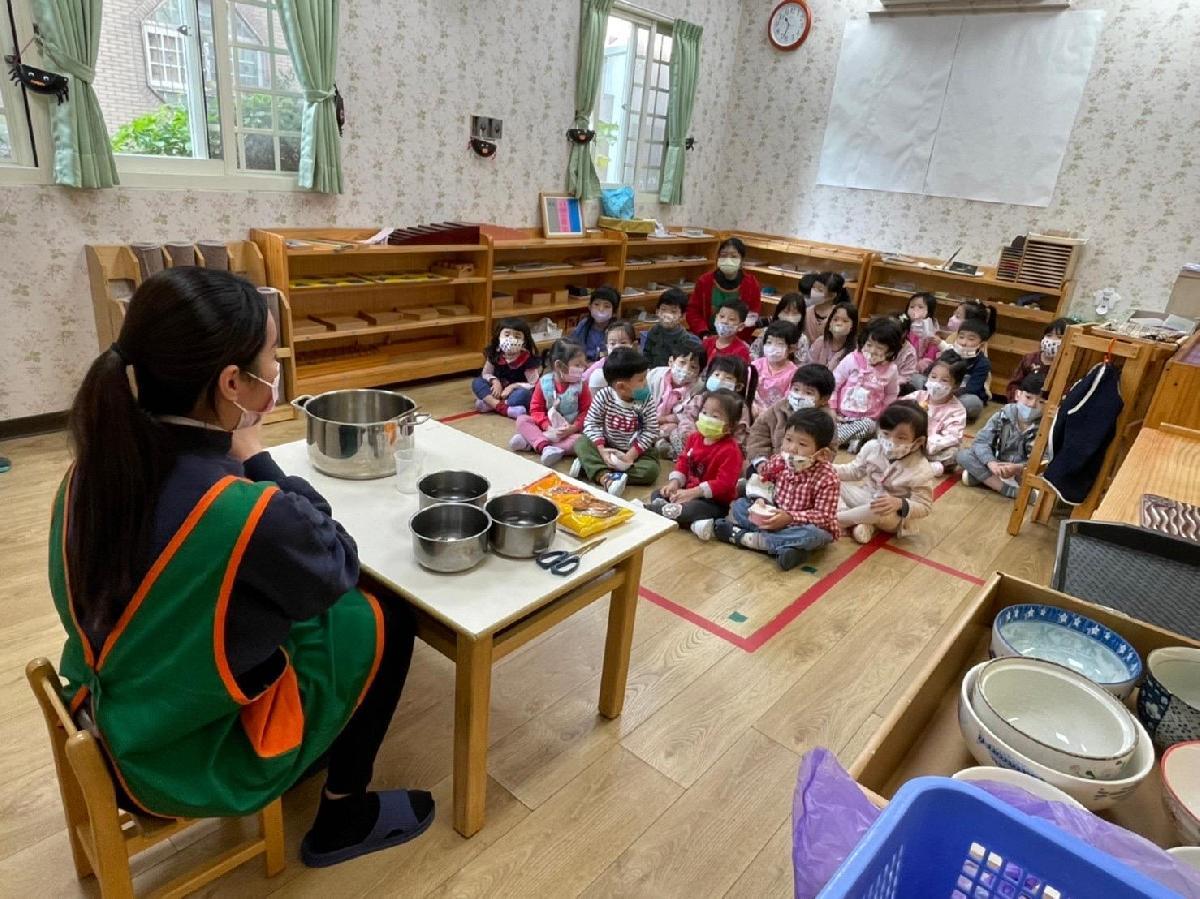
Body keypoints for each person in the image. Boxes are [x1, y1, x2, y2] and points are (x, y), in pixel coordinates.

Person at [49, 267, 433, 870]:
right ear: (232, 383)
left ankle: (321, 748)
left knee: (294, 611)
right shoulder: (240, 511)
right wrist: (256, 456)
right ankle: (342, 815)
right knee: (383, 617)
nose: (276, 372)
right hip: (180, 754)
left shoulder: (93, 467)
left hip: (104, 706)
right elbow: (335, 560)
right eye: (272, 360)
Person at [711, 409, 841, 572]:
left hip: (800, 525)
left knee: (815, 535)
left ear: (822, 454)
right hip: (773, 516)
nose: (792, 448)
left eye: (802, 444)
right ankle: (787, 548)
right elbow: (763, 481)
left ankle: (745, 538)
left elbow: (824, 517)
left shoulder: (828, 477)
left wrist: (790, 517)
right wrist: (760, 501)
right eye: (788, 439)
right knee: (740, 506)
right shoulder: (779, 460)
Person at [648, 389, 745, 538]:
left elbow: (724, 484)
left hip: (713, 502)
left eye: (715, 416)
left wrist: (693, 493)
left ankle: (654, 511)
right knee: (658, 493)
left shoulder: (731, 451)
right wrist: (674, 483)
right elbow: (683, 461)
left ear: (730, 426)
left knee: (690, 509)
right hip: (688, 490)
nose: (706, 418)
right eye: (704, 412)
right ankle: (692, 522)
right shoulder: (694, 438)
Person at [835, 401, 935, 544]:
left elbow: (924, 506)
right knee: (832, 482)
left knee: (878, 509)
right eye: (886, 434)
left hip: (891, 515)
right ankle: (859, 521)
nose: (891, 441)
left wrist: (899, 503)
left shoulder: (921, 469)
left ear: (918, 441)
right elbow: (854, 471)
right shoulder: (872, 447)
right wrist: (826, 468)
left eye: (901, 438)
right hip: (866, 496)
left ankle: (838, 520)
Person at [571, 346, 660, 496]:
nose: (646, 383)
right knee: (581, 443)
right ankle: (605, 477)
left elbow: (651, 430)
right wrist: (602, 451)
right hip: (607, 446)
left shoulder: (645, 399)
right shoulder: (604, 396)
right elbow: (591, 423)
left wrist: (630, 456)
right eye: (641, 379)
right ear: (622, 387)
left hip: (634, 451)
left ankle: (591, 468)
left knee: (651, 471)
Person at [957, 372, 1046, 499]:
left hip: (1022, 471)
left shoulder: (1046, 426)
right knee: (964, 455)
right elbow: (981, 441)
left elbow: (1045, 461)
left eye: (1040, 401)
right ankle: (1009, 490)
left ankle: (985, 479)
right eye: (1028, 397)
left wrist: (1019, 468)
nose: (1032, 404)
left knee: (1050, 476)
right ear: (1018, 394)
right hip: (997, 464)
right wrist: (991, 462)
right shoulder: (1003, 415)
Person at [509, 338, 592, 467]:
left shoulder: (581, 386)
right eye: (578, 365)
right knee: (522, 419)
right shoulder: (543, 383)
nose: (584, 368)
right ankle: (545, 447)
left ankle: (533, 442)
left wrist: (573, 428)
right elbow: (536, 409)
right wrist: (547, 426)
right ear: (559, 366)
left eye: (583, 364)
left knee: (581, 442)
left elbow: (587, 411)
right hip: (547, 428)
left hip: (570, 433)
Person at [747, 364, 837, 475]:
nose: (799, 396)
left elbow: (829, 450)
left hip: (806, 470)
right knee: (751, 472)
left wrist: (806, 465)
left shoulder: (825, 420)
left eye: (808, 393)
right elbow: (758, 433)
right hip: (772, 464)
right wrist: (761, 461)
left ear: (824, 399)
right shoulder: (779, 408)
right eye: (796, 389)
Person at [830, 317, 903, 448]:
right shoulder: (852, 359)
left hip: (867, 419)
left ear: (890, 352)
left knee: (871, 427)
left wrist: (882, 414)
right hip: (841, 415)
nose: (872, 351)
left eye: (879, 348)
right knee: (822, 419)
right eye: (869, 345)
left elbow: (891, 394)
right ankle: (851, 439)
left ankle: (837, 439)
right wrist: (832, 409)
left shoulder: (891, 370)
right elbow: (834, 383)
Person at [674, 355, 757, 457]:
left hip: (722, 450)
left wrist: (720, 447)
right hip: (696, 442)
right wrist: (695, 438)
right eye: (717, 375)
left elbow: (739, 436)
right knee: (675, 433)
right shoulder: (700, 398)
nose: (719, 380)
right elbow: (687, 418)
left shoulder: (739, 406)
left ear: (738, 387)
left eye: (728, 378)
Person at [686, 236, 762, 338]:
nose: (728, 260)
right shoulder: (705, 281)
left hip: (737, 338)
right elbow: (693, 311)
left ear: (741, 260)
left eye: (734, 256)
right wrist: (704, 333)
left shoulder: (751, 284)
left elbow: (752, 316)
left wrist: (733, 339)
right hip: (706, 336)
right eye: (723, 256)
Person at [911, 357, 968, 477]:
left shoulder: (957, 410)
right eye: (933, 377)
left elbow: (952, 436)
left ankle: (922, 464)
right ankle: (920, 463)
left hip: (932, 448)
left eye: (944, 380)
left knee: (955, 454)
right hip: (910, 441)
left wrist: (929, 444)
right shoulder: (917, 397)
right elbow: (896, 412)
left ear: (956, 386)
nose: (936, 383)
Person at [472, 317, 540, 419]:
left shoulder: (527, 359)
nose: (511, 339)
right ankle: (503, 408)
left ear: (524, 342)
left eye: (517, 336)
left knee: (523, 395)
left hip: (514, 393)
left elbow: (534, 384)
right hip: (497, 391)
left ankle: (490, 404)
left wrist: (513, 387)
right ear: (499, 337)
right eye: (507, 335)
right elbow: (486, 374)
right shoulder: (494, 354)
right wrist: (495, 381)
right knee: (477, 382)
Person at [647, 343, 705, 458]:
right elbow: (639, 399)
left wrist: (661, 420)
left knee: (673, 429)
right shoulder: (654, 375)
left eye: (693, 367)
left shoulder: (699, 388)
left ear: (700, 373)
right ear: (671, 361)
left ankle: (657, 444)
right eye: (682, 362)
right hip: (647, 418)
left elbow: (687, 415)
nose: (686, 369)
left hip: (670, 425)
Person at [1006, 317, 1070, 401]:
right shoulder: (1030, 359)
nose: (1052, 340)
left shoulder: (1065, 367)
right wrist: (1017, 400)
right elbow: (1014, 384)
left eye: (1059, 337)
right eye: (1049, 335)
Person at [750, 320, 800, 417]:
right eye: (769, 342)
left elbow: (787, 402)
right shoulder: (755, 365)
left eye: (780, 344)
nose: (772, 348)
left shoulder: (794, 373)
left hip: (777, 417)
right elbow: (747, 391)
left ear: (791, 348)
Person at [641, 288, 701, 367]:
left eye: (673, 312)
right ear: (657, 312)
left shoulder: (689, 340)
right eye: (663, 310)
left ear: (682, 316)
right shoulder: (653, 331)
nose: (667, 315)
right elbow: (646, 355)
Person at [948, 320, 992, 421]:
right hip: (941, 391)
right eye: (961, 337)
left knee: (972, 403)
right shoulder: (949, 354)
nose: (963, 343)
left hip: (961, 396)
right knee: (917, 379)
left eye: (971, 339)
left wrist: (948, 394)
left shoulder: (983, 363)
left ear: (981, 345)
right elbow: (931, 372)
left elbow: (972, 389)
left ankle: (946, 410)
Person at [899, 293, 942, 392]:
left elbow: (930, 356)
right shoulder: (903, 325)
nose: (915, 310)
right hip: (901, 364)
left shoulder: (932, 331)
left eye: (920, 307)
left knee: (918, 381)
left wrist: (918, 365)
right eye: (912, 307)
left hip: (919, 370)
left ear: (929, 311)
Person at [751, 292, 809, 364]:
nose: (790, 317)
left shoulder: (802, 339)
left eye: (795, 313)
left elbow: (801, 364)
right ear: (778, 313)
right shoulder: (766, 332)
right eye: (786, 312)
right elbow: (754, 352)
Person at [584, 318, 638, 392]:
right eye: (612, 343)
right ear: (607, 346)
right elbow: (584, 379)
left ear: (634, 345)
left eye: (623, 343)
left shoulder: (637, 362)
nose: (617, 347)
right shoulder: (603, 363)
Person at [571, 286, 621, 360]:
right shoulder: (584, 324)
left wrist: (598, 358)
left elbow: (614, 353)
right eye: (596, 304)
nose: (601, 309)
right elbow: (573, 345)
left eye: (607, 306)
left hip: (605, 363)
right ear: (589, 307)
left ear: (614, 313)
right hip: (582, 361)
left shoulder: (617, 331)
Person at [800, 272, 849, 348]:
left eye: (819, 290)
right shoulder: (807, 312)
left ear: (832, 295)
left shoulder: (838, 315)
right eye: (813, 287)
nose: (813, 292)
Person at [806, 301, 858, 371]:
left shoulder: (855, 350)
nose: (839, 324)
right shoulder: (820, 341)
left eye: (845, 321)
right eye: (835, 320)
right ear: (830, 322)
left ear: (852, 326)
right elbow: (808, 365)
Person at [701, 301, 752, 365]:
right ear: (716, 318)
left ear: (740, 327)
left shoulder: (741, 351)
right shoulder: (707, 342)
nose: (724, 321)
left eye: (731, 319)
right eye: (722, 316)